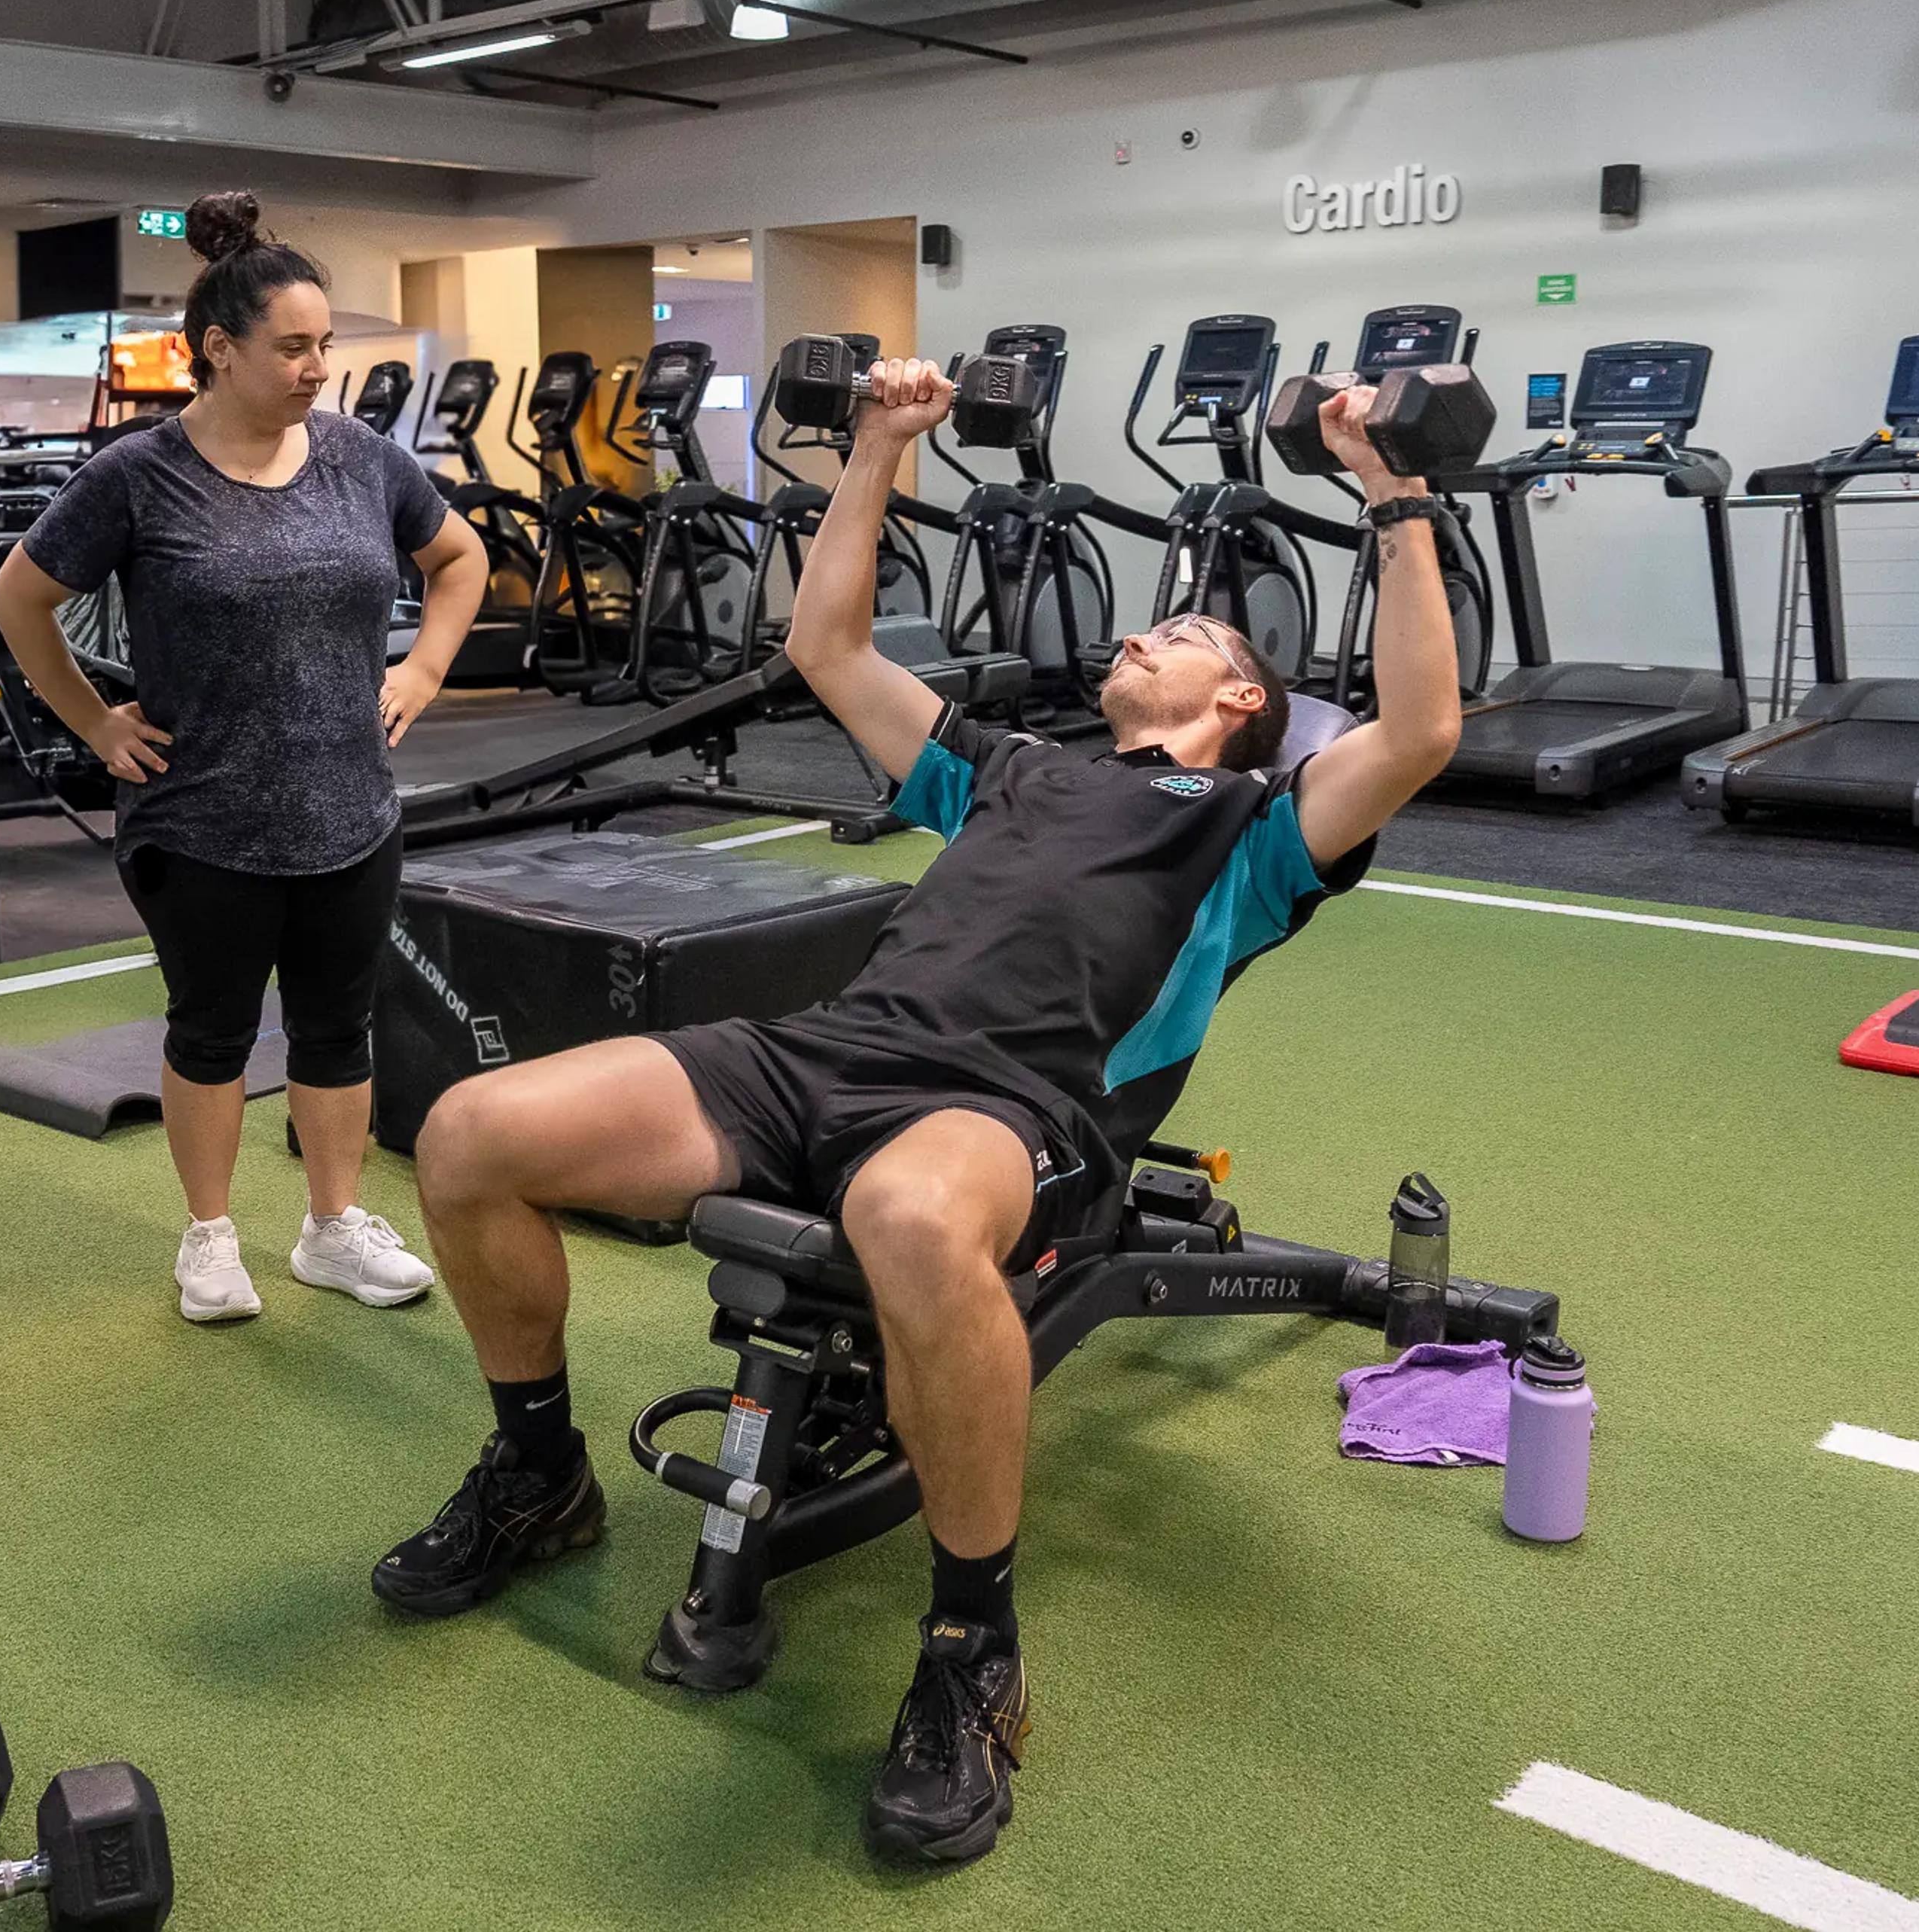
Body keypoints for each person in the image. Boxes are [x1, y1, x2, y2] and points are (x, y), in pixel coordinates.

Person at [372, 360, 1467, 1864]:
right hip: (825, 1055)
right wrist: (882, 444)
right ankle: (540, 1472)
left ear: (1242, 699)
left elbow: (1417, 729)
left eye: (1184, 631)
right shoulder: (1007, 770)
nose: (1137, 628)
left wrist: (1391, 490)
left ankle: (971, 1648)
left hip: (1022, 1108)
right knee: (471, 1131)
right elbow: (824, 643)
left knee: (900, 1212)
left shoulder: (1255, 831)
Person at [0, 190, 488, 1326]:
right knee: (209, 1031)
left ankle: (331, 1226)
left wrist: (419, 674)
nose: (319, 366)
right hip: (202, 817)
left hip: (350, 809)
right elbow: (20, 597)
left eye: (326, 345)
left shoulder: (361, 457)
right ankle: (210, 1238)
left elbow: (458, 559)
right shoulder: (138, 474)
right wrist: (96, 722)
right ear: (221, 350)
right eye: (294, 346)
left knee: (336, 1026)